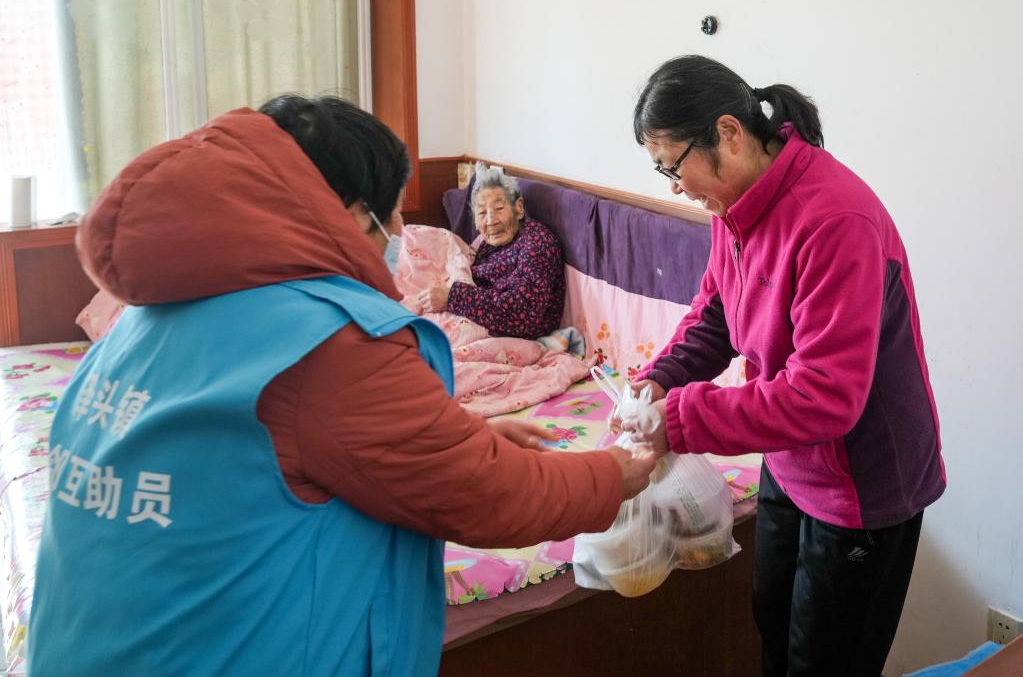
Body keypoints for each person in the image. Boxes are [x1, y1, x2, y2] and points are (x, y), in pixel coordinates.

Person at [28, 95, 657, 676]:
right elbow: (482, 495)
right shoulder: (328, 337)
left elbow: (266, 448)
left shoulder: (141, 321)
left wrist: (462, 433)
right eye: (392, 216)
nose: (397, 237)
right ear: (355, 214)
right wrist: (611, 475)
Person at [621, 56, 945, 677]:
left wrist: (682, 418)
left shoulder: (834, 219)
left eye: (672, 165)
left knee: (822, 661)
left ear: (729, 133)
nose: (674, 186)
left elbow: (826, 395)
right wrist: (659, 380)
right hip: (791, 457)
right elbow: (716, 312)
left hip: (863, 486)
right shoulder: (733, 207)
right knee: (772, 622)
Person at [416, 163, 565, 339]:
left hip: (516, 337)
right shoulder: (492, 242)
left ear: (518, 208)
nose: (491, 220)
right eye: (481, 213)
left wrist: (452, 297)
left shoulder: (537, 243)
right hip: (479, 317)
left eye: (499, 209)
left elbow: (523, 314)